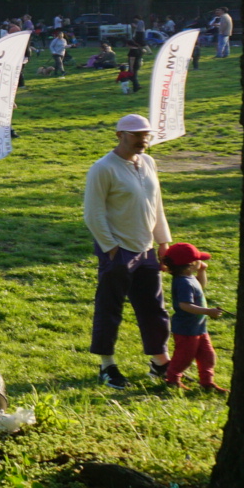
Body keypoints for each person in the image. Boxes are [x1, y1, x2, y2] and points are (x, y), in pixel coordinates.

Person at [83, 114, 174, 388]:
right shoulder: (103, 168)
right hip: (118, 250)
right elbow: (93, 213)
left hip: (146, 248)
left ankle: (160, 362)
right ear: (119, 135)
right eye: (136, 135)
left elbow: (155, 204)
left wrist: (162, 242)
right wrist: (111, 248)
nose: (142, 140)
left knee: (154, 308)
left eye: (146, 135)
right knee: (110, 308)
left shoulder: (148, 162)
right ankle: (107, 366)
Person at [157, 242, 226, 393]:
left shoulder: (188, 277)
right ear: (190, 264)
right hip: (186, 330)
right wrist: (207, 311)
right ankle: (172, 379)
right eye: (198, 260)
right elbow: (185, 305)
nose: (201, 262)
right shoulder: (183, 283)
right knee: (184, 357)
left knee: (208, 356)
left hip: (199, 328)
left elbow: (200, 288)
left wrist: (201, 273)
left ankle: (207, 382)